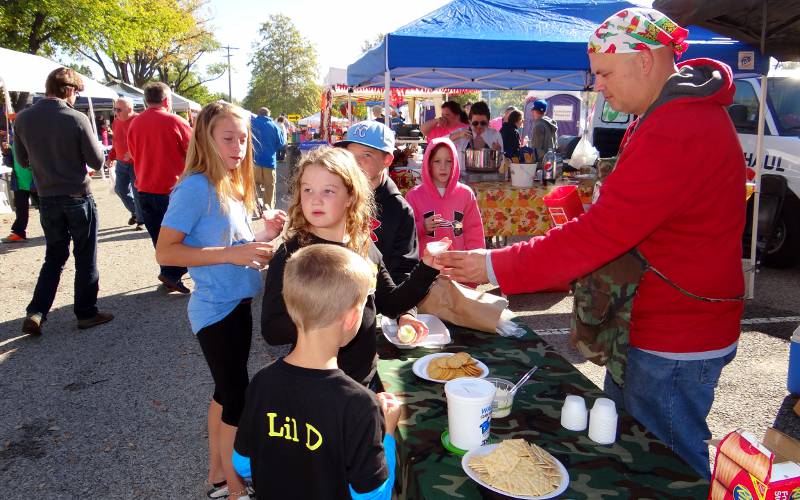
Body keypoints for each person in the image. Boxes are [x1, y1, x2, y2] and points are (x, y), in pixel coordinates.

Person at [437, 7, 744, 479]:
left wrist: (494, 265)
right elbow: (630, 221)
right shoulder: (666, 113)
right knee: (634, 449)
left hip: (676, 333)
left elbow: (602, 235)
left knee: (668, 465)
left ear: (644, 59)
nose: (598, 86)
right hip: (659, 322)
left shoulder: (679, 124)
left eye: (604, 72)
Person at [156, 102, 284, 500]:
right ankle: (232, 487)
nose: (239, 146)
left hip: (236, 306)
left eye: (244, 138)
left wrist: (266, 231)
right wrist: (231, 255)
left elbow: (233, 242)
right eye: (229, 138)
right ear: (205, 138)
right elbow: (166, 252)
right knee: (236, 399)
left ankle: (217, 474)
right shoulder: (195, 186)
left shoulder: (227, 182)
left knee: (224, 394)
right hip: (217, 311)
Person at [261, 146, 445, 387]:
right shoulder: (291, 255)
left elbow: (390, 304)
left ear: (350, 196)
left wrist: (428, 267)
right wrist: (329, 316)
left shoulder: (364, 247)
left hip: (364, 380)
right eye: (307, 190)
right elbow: (272, 329)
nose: (315, 199)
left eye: (328, 190)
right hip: (317, 384)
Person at [233, 245, 401, 499]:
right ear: (352, 318)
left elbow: (242, 463)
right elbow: (372, 496)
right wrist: (387, 434)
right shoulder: (359, 404)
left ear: (290, 308)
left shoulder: (262, 382)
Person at [12, 67, 114, 335]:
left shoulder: (22, 119)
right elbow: (96, 160)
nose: (76, 98)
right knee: (85, 256)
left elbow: (22, 161)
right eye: (77, 92)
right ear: (69, 90)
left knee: (54, 257)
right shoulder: (76, 118)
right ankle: (86, 312)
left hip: (46, 197)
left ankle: (36, 311)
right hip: (77, 196)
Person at [127, 81, 192, 294]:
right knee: (181, 235)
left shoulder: (134, 124)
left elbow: (133, 154)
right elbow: (194, 153)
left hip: (144, 187)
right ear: (166, 99)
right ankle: (173, 272)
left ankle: (169, 270)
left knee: (158, 235)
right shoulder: (176, 121)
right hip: (171, 189)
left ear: (147, 100)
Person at [334, 120, 419, 283]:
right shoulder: (334, 195)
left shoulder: (399, 210)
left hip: (379, 300)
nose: (356, 162)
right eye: (350, 155)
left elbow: (403, 269)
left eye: (366, 155)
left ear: (387, 160)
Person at [405, 137, 484, 254]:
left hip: (457, 265)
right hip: (425, 266)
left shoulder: (466, 194)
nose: (443, 167)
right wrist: (423, 227)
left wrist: (474, 258)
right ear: (429, 164)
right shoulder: (414, 196)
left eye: (449, 161)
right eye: (437, 161)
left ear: (456, 163)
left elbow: (474, 231)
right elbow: (405, 233)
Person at [106, 97, 142, 230]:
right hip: (121, 162)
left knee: (137, 191)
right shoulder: (116, 122)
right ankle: (136, 213)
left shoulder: (138, 121)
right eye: (115, 109)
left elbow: (146, 143)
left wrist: (134, 153)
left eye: (119, 109)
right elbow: (116, 142)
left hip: (136, 163)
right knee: (120, 189)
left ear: (130, 109)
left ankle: (141, 220)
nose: (116, 112)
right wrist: (111, 157)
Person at [250, 107, 285, 211]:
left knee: (254, 184)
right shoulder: (274, 126)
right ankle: (267, 209)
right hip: (269, 161)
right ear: (268, 114)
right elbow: (281, 144)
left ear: (258, 114)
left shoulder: (250, 124)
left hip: (254, 160)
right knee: (269, 187)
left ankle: (256, 206)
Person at [2, 138, 33, 243]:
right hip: (19, 182)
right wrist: (6, 153)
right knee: (20, 210)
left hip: (37, 181)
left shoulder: (35, 139)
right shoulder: (13, 142)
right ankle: (19, 233)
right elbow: (9, 164)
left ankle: (56, 233)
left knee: (47, 209)